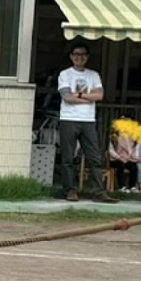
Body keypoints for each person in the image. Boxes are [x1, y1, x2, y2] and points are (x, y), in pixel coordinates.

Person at [50, 43, 109, 202]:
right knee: (68, 157)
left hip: (88, 120)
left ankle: (99, 192)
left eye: (82, 54)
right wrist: (87, 96)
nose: (79, 57)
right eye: (76, 54)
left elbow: (99, 96)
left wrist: (79, 95)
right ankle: (70, 190)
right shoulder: (65, 74)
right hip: (68, 118)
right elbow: (67, 97)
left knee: (95, 157)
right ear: (71, 56)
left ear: (87, 57)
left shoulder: (93, 75)